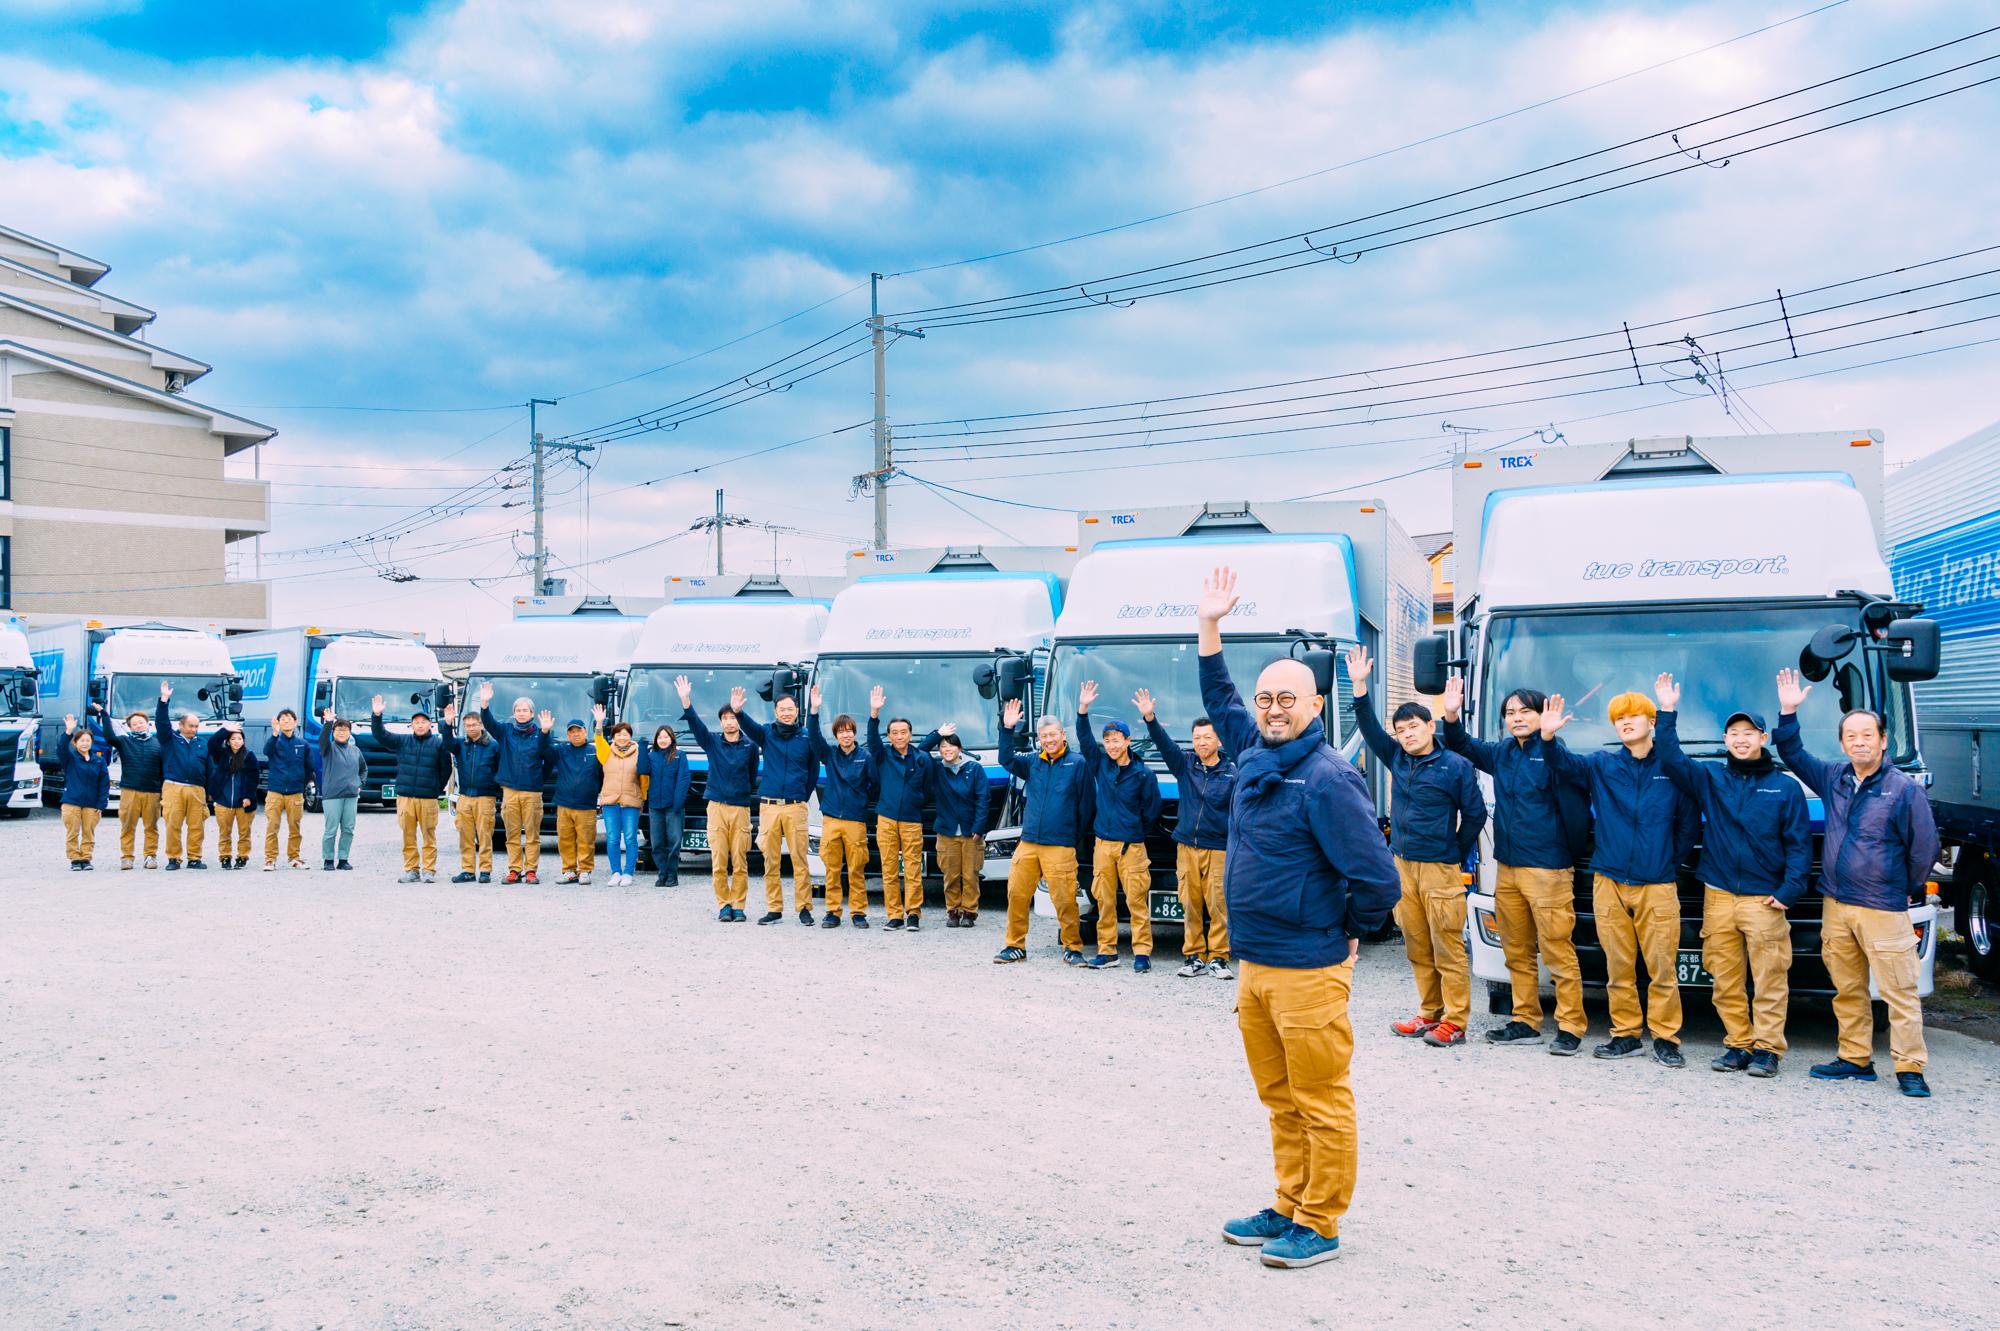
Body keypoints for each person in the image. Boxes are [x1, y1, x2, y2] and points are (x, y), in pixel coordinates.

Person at [1198, 569, 1397, 1269]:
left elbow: (1378, 878)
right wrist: (1209, 625)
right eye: (1266, 698)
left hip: (1309, 967)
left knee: (1321, 1097)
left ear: (1316, 704)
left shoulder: (1326, 777)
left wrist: (1345, 932)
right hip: (1254, 964)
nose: (1274, 707)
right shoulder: (1255, 753)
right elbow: (1218, 695)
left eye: (1288, 698)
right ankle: (1287, 1201)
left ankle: (1321, 1220)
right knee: (1281, 1097)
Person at [1775, 668, 1941, 1098]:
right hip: (1837, 904)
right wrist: (1789, 711)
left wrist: (1900, 888)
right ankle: (1855, 1059)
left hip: (1883, 907)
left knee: (1899, 992)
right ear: (1843, 742)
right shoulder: (1834, 779)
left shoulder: (1903, 789)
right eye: (1852, 735)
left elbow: (1924, 848)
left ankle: (1909, 1069)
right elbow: (1792, 753)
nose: (1860, 741)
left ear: (1883, 741)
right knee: (1847, 989)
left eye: (1868, 735)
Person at [1651, 674, 1809, 1078]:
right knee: (1724, 979)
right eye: (1734, 733)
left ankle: (1768, 1049)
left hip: (1764, 899)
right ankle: (1738, 1044)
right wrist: (1666, 712)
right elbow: (1670, 758)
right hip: (1718, 896)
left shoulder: (1784, 788)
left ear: (1763, 738)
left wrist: (1789, 891)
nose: (1741, 739)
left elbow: (1798, 845)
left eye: (1749, 733)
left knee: (1770, 980)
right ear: (1725, 740)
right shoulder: (1711, 778)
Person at [1538, 688, 1698, 1066]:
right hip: (1608, 880)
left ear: (1652, 722)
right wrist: (1547, 736)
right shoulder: (1602, 765)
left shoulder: (1673, 769)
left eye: (1633, 716)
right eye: (1618, 718)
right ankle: (1625, 1034)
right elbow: (1562, 765)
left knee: (1662, 967)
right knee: (1619, 965)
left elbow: (1688, 827)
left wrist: (1667, 864)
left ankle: (1666, 1038)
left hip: (1657, 883)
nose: (1625, 723)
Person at [1343, 647, 1488, 1048]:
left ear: (1429, 725)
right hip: (1402, 867)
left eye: (1413, 726)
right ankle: (1429, 1013)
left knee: (1448, 948)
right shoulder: (1397, 758)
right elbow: (1370, 728)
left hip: (1440, 868)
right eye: (1401, 729)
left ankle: (1455, 1022)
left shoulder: (1455, 766)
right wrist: (1358, 687)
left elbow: (1474, 816)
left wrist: (1454, 852)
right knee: (1417, 944)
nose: (1406, 734)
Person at [1439, 680, 1587, 1054]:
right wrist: (1452, 715)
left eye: (1525, 711)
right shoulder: (1503, 753)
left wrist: (1551, 739)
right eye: (1511, 713)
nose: (1517, 718)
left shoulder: (1554, 752)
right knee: (1517, 951)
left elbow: (1571, 772)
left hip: (1548, 870)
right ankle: (1525, 1020)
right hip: (1509, 868)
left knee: (1557, 950)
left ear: (1541, 716)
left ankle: (1570, 1027)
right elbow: (1464, 746)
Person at [1140, 693, 1236, 979]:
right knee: (1190, 903)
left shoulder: (1232, 773)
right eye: (1197, 737)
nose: (1202, 742)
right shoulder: (1185, 766)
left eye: (1207, 737)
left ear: (1219, 741)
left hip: (1218, 848)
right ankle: (1193, 955)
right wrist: (1150, 718)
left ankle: (1219, 957)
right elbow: (1163, 744)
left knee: (1219, 903)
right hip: (1187, 847)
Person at [992, 698, 1090, 966]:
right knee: (1017, 894)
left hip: (1060, 844)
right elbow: (1006, 759)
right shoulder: (1032, 762)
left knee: (1065, 899)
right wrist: (1007, 729)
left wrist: (1072, 836)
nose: (1049, 740)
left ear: (1063, 735)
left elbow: (1086, 805)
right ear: (1039, 738)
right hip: (1029, 842)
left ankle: (1073, 947)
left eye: (1053, 735)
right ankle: (1015, 946)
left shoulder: (1077, 763)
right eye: (1044, 736)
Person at [1075, 680, 1164, 972]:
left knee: (1137, 902)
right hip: (1103, 844)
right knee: (1105, 901)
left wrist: (1133, 829)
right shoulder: (1100, 764)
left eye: (1117, 740)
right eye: (1108, 740)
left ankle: (1142, 953)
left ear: (1128, 741)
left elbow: (1152, 811)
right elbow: (1085, 741)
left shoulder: (1143, 775)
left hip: (1132, 847)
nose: (1112, 745)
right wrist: (1083, 710)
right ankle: (1107, 951)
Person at [678, 676, 759, 922]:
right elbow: (695, 725)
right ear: (721, 722)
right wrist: (686, 701)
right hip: (716, 807)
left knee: (741, 860)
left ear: (738, 720)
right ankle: (724, 905)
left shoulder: (750, 746)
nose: (729, 722)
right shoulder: (712, 742)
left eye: (733, 718)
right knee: (719, 860)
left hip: (740, 808)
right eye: (725, 719)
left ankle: (739, 905)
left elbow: (752, 774)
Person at [736, 688, 819, 925]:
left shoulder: (806, 738)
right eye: (781, 709)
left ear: (797, 712)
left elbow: (812, 772)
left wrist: (800, 795)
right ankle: (774, 909)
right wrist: (738, 712)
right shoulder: (766, 734)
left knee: (799, 859)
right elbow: (748, 727)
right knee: (770, 859)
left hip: (795, 805)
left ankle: (804, 908)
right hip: (769, 806)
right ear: (775, 711)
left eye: (790, 709)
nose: (785, 713)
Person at [808, 687, 877, 927]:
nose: (845, 736)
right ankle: (833, 911)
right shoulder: (830, 755)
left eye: (849, 732)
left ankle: (858, 913)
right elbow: (814, 737)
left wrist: (861, 801)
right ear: (836, 735)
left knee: (857, 869)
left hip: (855, 819)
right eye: (841, 732)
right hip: (832, 819)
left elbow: (874, 784)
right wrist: (814, 710)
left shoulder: (865, 756)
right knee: (832, 868)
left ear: (854, 734)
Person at [868, 685, 935, 930]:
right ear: (889, 736)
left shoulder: (922, 758)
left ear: (910, 734)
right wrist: (874, 713)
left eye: (903, 732)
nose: (899, 736)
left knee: (913, 868)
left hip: (911, 820)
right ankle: (894, 915)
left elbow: (928, 790)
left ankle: (913, 914)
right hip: (885, 818)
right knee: (888, 868)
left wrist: (915, 802)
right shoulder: (882, 755)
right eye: (894, 732)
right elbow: (872, 741)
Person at [479, 682, 558, 885]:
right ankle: (514, 870)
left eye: (525, 710)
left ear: (532, 713)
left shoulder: (541, 733)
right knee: (511, 834)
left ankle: (531, 870)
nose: (521, 713)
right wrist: (485, 704)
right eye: (518, 710)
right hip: (510, 791)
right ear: (513, 713)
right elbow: (489, 724)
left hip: (532, 792)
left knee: (532, 835)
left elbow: (548, 756)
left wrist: (546, 733)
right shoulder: (506, 731)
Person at [372, 698, 451, 883]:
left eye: (424, 722)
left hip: (428, 799)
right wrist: (377, 716)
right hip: (405, 797)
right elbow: (381, 735)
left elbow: (446, 769)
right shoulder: (402, 741)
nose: (420, 725)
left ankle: (429, 870)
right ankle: (411, 869)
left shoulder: (439, 744)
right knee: (408, 835)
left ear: (430, 724)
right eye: (417, 722)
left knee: (429, 835)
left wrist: (435, 789)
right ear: (411, 725)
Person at [931, 728, 991, 927]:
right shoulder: (937, 770)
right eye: (943, 746)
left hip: (970, 832)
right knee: (950, 875)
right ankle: (953, 911)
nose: (947, 750)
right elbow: (920, 752)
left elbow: (983, 799)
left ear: (960, 748)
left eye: (951, 746)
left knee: (970, 875)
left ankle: (969, 912)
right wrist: (937, 734)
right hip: (946, 831)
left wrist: (979, 827)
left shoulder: (974, 769)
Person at [441, 704, 501, 883]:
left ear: (481, 725)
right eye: (467, 725)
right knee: (465, 835)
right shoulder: (460, 744)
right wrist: (447, 724)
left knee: (484, 834)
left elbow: (499, 769)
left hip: (485, 797)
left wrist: (493, 788)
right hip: (465, 796)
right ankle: (467, 870)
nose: (471, 728)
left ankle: (485, 871)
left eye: (474, 724)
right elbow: (447, 742)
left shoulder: (493, 746)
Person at [156, 683, 212, 871]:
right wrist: (164, 701)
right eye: (190, 725)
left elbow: (209, 768)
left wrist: (210, 792)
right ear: (181, 725)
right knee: (173, 824)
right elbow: (161, 723)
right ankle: (174, 858)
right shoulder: (170, 740)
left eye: (196, 726)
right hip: (174, 787)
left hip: (197, 789)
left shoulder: (202, 744)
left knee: (197, 826)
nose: (194, 729)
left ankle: (195, 858)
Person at [259, 708, 320, 872]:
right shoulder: (274, 741)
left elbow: (310, 768)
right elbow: (266, 752)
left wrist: (300, 784)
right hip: (275, 791)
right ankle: (270, 859)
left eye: (289, 719)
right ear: (278, 722)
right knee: (272, 826)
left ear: (296, 722)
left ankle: (294, 857)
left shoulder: (303, 744)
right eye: (283, 719)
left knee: (295, 827)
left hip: (295, 792)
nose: (286, 721)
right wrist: (274, 733)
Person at [104, 706, 163, 870]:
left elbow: (163, 768)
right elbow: (109, 736)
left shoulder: (158, 743)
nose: (138, 725)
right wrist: (104, 715)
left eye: (141, 722)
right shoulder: (124, 742)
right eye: (135, 724)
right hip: (130, 790)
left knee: (151, 826)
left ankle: (150, 856)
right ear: (130, 727)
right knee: (128, 825)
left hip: (153, 791)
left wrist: (163, 792)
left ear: (148, 724)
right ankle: (127, 857)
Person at [551, 710, 605, 885]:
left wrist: (601, 796)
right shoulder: (561, 750)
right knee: (565, 839)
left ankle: (585, 871)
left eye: (579, 731)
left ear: (585, 732)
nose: (575, 734)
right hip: (564, 803)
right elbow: (544, 749)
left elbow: (603, 775)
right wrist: (545, 731)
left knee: (586, 840)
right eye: (572, 731)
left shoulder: (594, 751)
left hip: (586, 805)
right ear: (567, 734)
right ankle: (569, 870)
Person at [640, 725, 692, 887]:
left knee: (674, 842)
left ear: (672, 739)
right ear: (656, 740)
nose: (663, 740)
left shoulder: (679, 756)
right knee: (657, 843)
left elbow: (684, 779)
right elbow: (642, 769)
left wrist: (678, 803)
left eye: (666, 737)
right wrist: (642, 748)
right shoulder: (651, 756)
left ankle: (672, 875)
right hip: (655, 806)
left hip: (673, 807)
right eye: (660, 737)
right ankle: (662, 873)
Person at [59, 710, 112, 869]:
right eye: (81, 740)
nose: (85, 743)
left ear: (91, 742)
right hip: (72, 802)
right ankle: (75, 859)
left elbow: (104, 783)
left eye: (88, 740)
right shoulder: (71, 758)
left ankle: (86, 858)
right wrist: (68, 731)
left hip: (92, 804)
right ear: (75, 743)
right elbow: (61, 749)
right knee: (73, 832)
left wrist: (101, 804)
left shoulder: (99, 761)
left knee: (89, 833)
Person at [317, 711, 367, 870]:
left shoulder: (355, 751)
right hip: (332, 795)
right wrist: (328, 723)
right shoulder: (328, 749)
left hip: (351, 795)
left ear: (349, 733)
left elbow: (363, 769)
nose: (341, 732)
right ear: (333, 732)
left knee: (348, 829)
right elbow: (323, 739)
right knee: (331, 830)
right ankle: (328, 859)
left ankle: (343, 858)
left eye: (345, 730)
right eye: (338, 730)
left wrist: (360, 784)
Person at [597, 715, 643, 888]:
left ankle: (628, 872)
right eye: (618, 734)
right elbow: (598, 739)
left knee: (631, 838)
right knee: (612, 839)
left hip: (631, 800)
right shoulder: (606, 752)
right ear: (614, 736)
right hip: (610, 801)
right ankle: (615, 872)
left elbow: (644, 779)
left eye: (625, 734)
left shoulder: (639, 753)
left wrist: (642, 799)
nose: (622, 737)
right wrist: (600, 723)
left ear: (630, 736)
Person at [206, 725, 261, 870]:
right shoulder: (222, 755)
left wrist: (248, 796)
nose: (237, 741)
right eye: (233, 738)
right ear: (228, 741)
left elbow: (253, 777)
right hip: (223, 801)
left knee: (244, 832)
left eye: (239, 738)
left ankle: (242, 856)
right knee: (224, 832)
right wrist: (225, 729)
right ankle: (225, 857)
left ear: (243, 740)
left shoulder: (249, 756)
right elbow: (211, 743)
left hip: (244, 802)